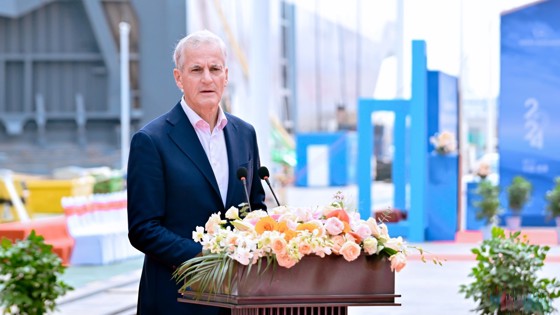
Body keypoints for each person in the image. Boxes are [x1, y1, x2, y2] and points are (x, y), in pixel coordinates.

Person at [127, 29, 267, 315]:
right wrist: (207, 258)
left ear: (226, 76)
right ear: (179, 78)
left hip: (238, 300)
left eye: (214, 69)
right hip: (177, 298)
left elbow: (256, 207)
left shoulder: (245, 134)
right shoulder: (151, 141)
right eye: (196, 69)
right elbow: (142, 229)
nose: (207, 78)